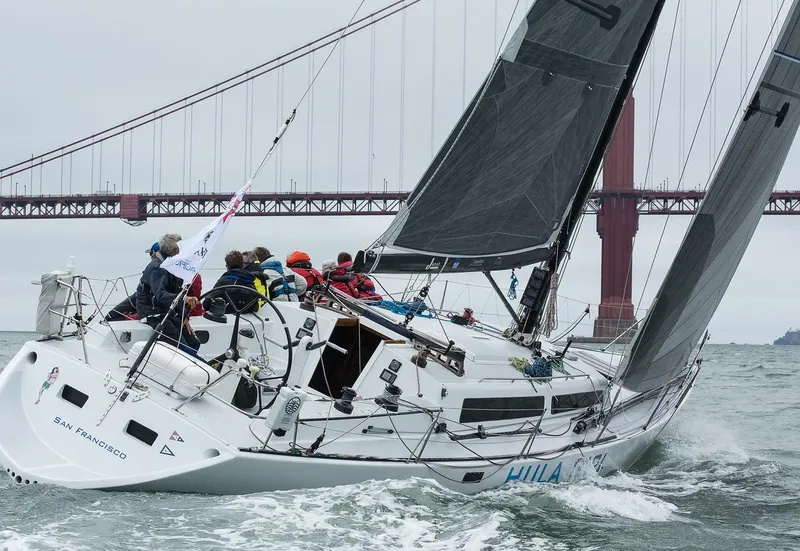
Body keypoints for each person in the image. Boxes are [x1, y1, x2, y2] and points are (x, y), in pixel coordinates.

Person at [135, 233, 202, 356]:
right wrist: (185, 299)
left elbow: (177, 291)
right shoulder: (157, 268)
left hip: (169, 312)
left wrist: (183, 317)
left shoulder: (173, 265)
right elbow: (160, 295)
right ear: (175, 250)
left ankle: (189, 363)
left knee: (194, 343)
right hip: (154, 314)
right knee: (182, 349)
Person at [104, 242, 161, 322]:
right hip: (156, 310)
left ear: (154, 254)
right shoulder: (171, 273)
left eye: (151, 253)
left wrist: (111, 314)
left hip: (151, 313)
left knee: (114, 318)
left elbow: (138, 297)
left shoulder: (154, 272)